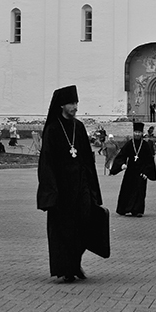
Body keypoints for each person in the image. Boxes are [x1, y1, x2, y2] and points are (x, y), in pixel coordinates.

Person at [37, 84, 105, 282]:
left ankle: (76, 263)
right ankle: (66, 269)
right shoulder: (52, 130)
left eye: (76, 103)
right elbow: (47, 163)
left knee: (83, 226)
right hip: (61, 190)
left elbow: (86, 159)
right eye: (71, 103)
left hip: (81, 187)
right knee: (64, 230)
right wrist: (51, 192)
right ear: (61, 105)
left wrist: (92, 188)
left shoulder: (79, 127)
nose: (75, 107)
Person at [110, 121, 156, 217]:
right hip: (130, 171)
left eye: (139, 132)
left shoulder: (145, 145)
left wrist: (146, 172)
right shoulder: (129, 144)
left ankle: (137, 210)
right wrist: (121, 164)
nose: (137, 134)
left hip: (141, 172)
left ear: (141, 133)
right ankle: (125, 209)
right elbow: (121, 155)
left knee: (139, 191)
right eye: (135, 132)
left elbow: (149, 161)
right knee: (127, 190)